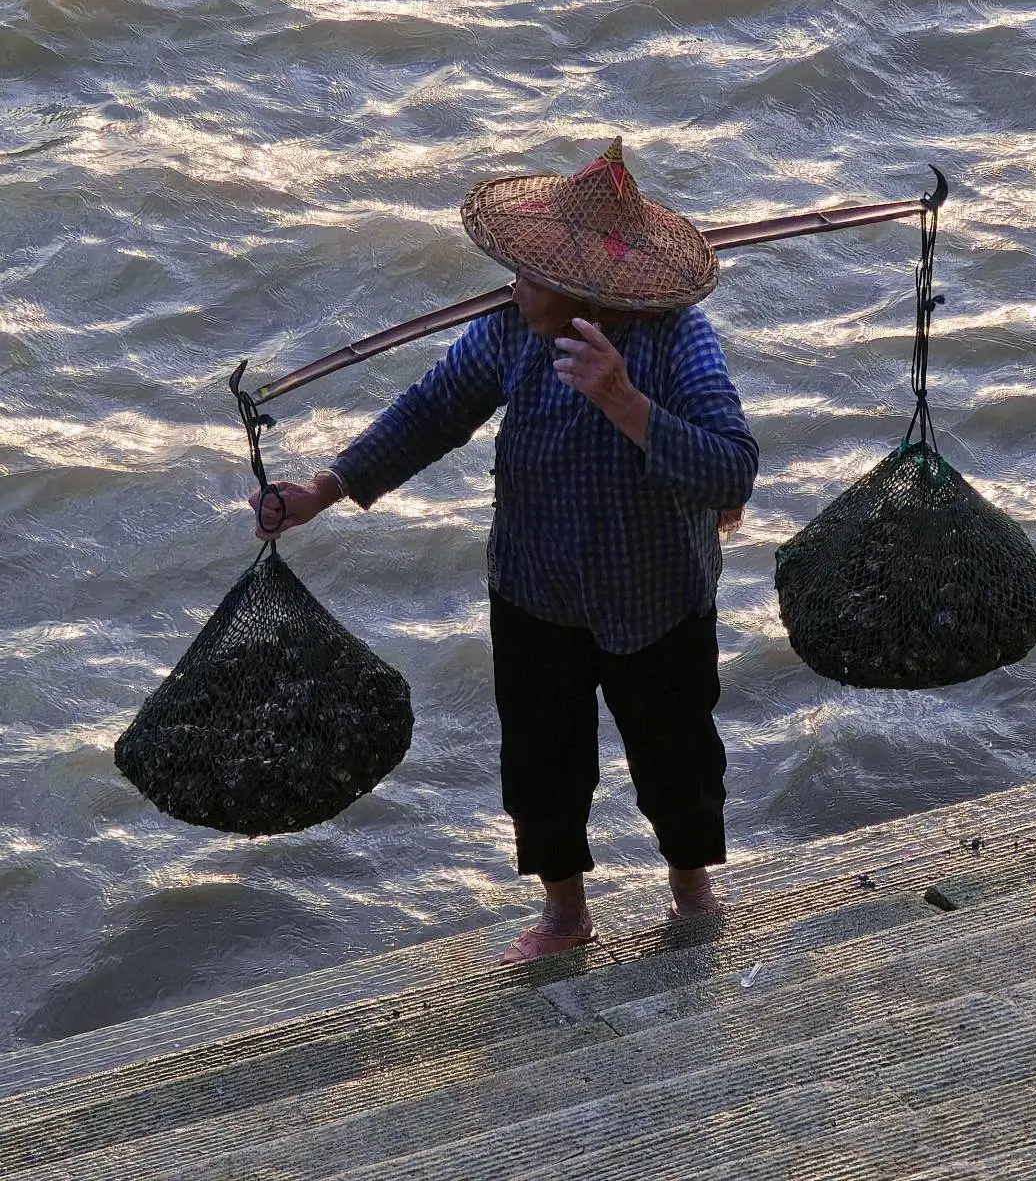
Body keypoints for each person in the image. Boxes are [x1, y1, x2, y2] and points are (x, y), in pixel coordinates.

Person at [250, 139, 758, 963]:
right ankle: (565, 913)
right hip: (535, 585)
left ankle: (692, 891)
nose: (514, 283)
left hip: (657, 592)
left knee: (679, 757)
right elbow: (433, 409)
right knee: (540, 762)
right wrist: (325, 488)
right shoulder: (512, 330)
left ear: (582, 287)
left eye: (531, 273)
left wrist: (624, 400)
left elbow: (734, 467)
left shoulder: (675, 338)